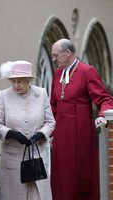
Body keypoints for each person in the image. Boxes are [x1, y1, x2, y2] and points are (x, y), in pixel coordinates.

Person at [50, 38, 113, 200]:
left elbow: (105, 99)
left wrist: (102, 115)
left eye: (56, 55)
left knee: (79, 177)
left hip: (80, 135)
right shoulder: (57, 74)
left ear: (68, 53)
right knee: (61, 178)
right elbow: (53, 105)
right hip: (60, 137)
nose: (54, 59)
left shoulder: (87, 71)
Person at [0, 60, 55, 200]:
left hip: (37, 158)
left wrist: (40, 135)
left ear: (28, 80)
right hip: (13, 158)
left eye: (19, 81)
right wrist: (11, 133)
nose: (16, 85)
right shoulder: (3, 95)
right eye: (13, 81)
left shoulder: (41, 94)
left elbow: (50, 122)